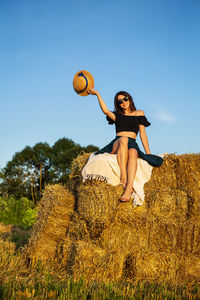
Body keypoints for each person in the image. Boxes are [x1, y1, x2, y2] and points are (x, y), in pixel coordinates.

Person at [88, 89, 163, 202]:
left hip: (132, 143)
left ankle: (128, 189)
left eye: (125, 99)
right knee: (123, 139)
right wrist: (97, 94)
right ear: (117, 104)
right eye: (120, 101)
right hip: (117, 143)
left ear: (130, 99)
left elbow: (143, 134)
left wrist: (148, 153)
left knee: (133, 152)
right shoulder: (117, 115)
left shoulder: (139, 113)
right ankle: (123, 176)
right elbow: (105, 111)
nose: (123, 102)